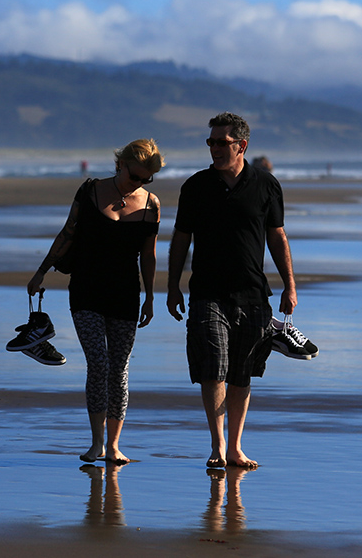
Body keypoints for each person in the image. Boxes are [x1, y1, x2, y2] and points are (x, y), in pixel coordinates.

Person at [167, 112, 297, 469]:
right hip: (207, 292)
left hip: (254, 294)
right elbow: (181, 239)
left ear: (242, 145)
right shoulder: (195, 187)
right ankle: (217, 443)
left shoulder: (266, 185)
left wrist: (289, 285)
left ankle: (236, 446)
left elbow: (277, 236)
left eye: (221, 142)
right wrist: (172, 286)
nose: (214, 149)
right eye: (210, 142)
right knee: (213, 368)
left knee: (242, 373)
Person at [26, 139, 163, 464]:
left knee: (119, 369)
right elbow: (68, 233)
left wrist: (150, 296)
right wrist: (41, 271)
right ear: (121, 164)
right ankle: (96, 442)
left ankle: (114, 446)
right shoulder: (89, 191)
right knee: (98, 363)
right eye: (136, 177)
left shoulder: (151, 204)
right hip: (86, 289)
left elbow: (148, 253)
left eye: (146, 179)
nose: (140, 184)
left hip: (126, 293)